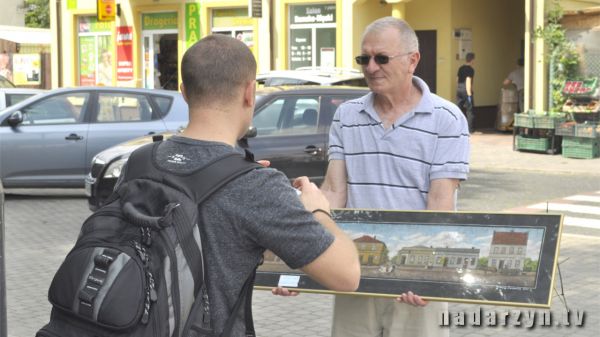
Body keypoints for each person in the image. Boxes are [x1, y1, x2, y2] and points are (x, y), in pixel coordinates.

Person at [122, 35, 361, 336]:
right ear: (250, 93)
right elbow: (347, 275)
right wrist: (317, 210)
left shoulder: (141, 160)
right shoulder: (255, 185)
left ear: (183, 92)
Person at [321, 16, 469, 337]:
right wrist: (303, 260)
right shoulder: (346, 116)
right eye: (365, 58)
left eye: (382, 58)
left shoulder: (447, 119)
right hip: (356, 274)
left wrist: (425, 274)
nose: (371, 67)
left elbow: (441, 201)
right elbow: (333, 193)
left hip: (416, 281)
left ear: (412, 60)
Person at [456, 52, 475, 133]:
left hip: (459, 88)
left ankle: (457, 129)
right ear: (472, 60)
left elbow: (457, 79)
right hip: (466, 88)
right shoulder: (471, 69)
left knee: (458, 109)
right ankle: (469, 130)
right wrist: (470, 92)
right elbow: (469, 81)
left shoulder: (460, 68)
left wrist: (458, 88)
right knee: (469, 110)